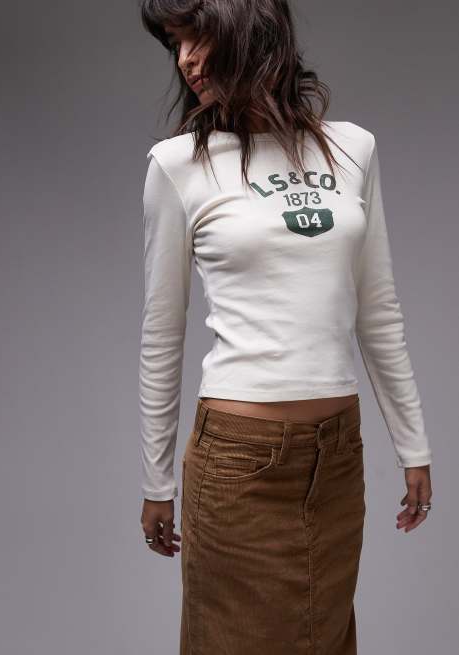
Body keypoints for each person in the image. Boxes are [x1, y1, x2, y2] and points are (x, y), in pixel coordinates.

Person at [138, 1, 433, 653]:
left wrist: (412, 444)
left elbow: (377, 308)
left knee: (327, 639)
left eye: (196, 36)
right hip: (238, 464)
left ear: (250, 30)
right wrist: (157, 483)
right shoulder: (178, 165)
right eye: (174, 43)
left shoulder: (352, 149)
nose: (184, 59)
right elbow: (161, 334)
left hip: (337, 459)